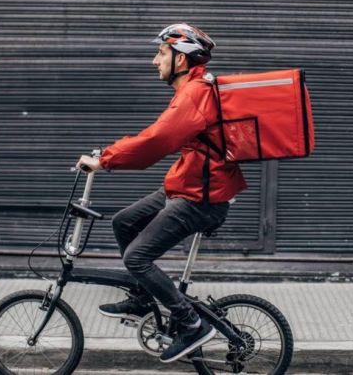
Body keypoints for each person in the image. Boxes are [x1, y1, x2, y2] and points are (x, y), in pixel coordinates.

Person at [75, 23, 246, 363]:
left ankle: (190, 322)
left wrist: (105, 160)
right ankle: (142, 297)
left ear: (181, 60)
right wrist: (107, 154)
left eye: (161, 53)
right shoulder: (190, 92)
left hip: (201, 199)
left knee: (136, 258)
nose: (155, 61)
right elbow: (156, 134)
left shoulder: (196, 94)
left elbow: (156, 142)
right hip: (188, 186)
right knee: (124, 222)